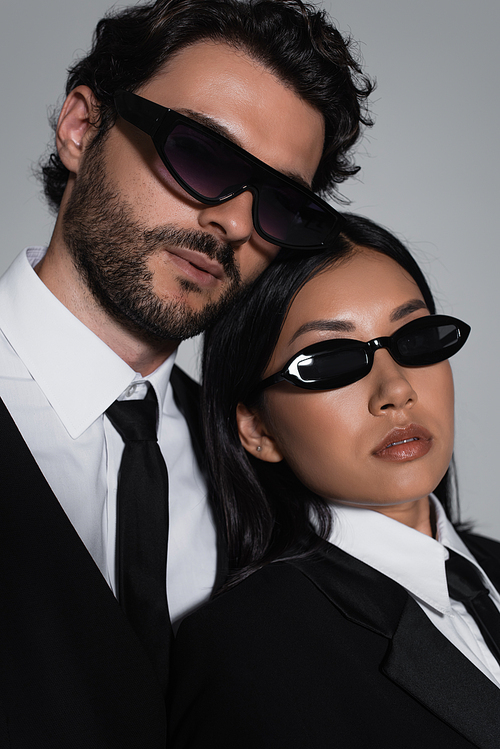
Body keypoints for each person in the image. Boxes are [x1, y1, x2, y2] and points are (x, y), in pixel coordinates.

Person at [0, 0, 374, 746]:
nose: (234, 222)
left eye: (279, 203)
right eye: (200, 155)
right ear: (81, 128)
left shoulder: (273, 484)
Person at [168, 213, 500, 748]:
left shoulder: (490, 567)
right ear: (255, 428)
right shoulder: (250, 647)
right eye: (329, 361)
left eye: (413, 337)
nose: (394, 389)